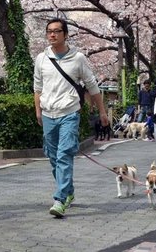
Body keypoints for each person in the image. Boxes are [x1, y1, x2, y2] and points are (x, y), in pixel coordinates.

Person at [34, 18, 108, 218]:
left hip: (69, 112)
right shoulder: (41, 58)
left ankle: (59, 200)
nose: (52, 35)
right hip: (49, 113)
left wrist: (102, 112)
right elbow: (37, 88)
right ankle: (68, 191)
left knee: (64, 154)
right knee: (52, 156)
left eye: (57, 31)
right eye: (49, 31)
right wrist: (38, 111)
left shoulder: (78, 58)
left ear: (65, 35)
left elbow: (92, 86)